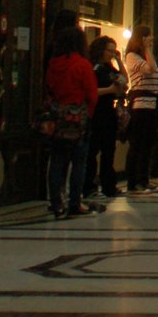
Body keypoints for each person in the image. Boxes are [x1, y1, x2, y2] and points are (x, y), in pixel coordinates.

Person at [45, 25, 98, 217]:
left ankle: (56, 203)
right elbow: (92, 94)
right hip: (78, 117)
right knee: (78, 162)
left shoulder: (54, 64)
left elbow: (50, 89)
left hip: (59, 117)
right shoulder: (82, 64)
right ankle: (75, 202)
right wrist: (87, 114)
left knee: (57, 161)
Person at [122, 27, 158, 193]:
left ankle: (144, 178)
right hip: (141, 106)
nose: (151, 40)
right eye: (148, 38)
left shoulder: (143, 56)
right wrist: (147, 49)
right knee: (137, 144)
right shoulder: (132, 56)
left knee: (147, 145)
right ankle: (134, 180)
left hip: (151, 104)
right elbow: (150, 69)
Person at [84, 35, 125, 200]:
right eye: (110, 50)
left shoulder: (109, 68)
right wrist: (109, 90)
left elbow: (123, 79)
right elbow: (91, 90)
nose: (112, 54)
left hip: (109, 112)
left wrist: (119, 61)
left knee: (109, 151)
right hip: (96, 113)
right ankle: (89, 186)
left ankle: (109, 185)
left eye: (114, 51)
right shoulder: (94, 68)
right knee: (92, 151)